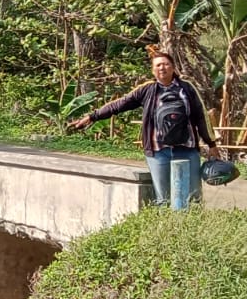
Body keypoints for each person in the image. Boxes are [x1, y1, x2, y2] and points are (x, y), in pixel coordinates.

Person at [68, 51, 222, 204]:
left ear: (174, 68)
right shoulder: (147, 90)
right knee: (164, 199)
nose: (162, 68)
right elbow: (119, 104)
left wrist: (211, 144)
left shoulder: (187, 88)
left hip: (187, 150)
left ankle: (191, 227)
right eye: (158, 65)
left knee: (193, 198)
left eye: (166, 64)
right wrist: (93, 116)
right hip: (158, 152)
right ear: (153, 70)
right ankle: (168, 227)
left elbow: (201, 116)